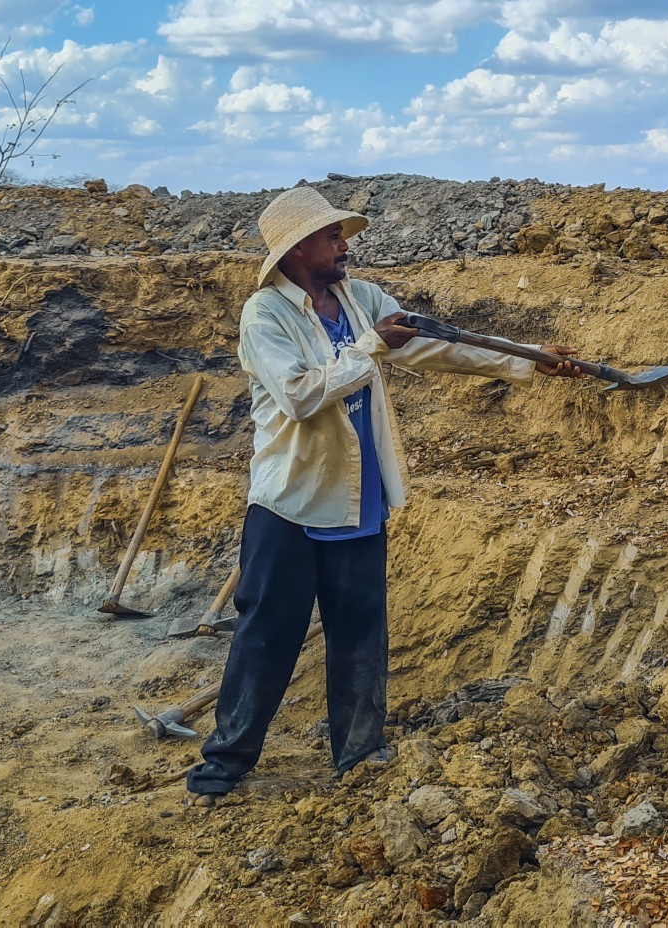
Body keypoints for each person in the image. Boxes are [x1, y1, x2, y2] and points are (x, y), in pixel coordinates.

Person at [185, 186, 580, 807]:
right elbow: (298, 394)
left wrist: (528, 361)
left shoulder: (362, 299)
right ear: (296, 249)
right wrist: (373, 347)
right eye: (332, 237)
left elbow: (434, 346)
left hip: (357, 499)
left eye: (343, 235)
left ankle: (360, 755)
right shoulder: (266, 315)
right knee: (266, 636)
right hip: (289, 503)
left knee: (361, 634)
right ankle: (223, 767)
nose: (345, 246)